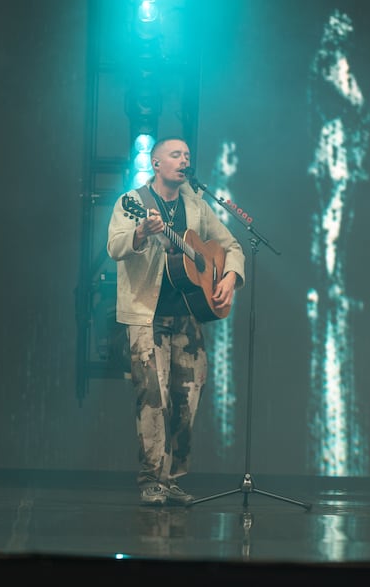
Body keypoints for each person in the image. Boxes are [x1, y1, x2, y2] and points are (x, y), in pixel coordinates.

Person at [107, 136, 245, 506]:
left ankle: (174, 479)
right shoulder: (134, 203)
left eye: (187, 155)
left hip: (187, 318)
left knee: (188, 399)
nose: (184, 160)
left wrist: (230, 276)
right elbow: (115, 246)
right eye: (175, 155)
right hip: (146, 316)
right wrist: (140, 233)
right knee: (154, 398)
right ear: (156, 163)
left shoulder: (196, 206)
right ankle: (152, 479)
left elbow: (230, 246)